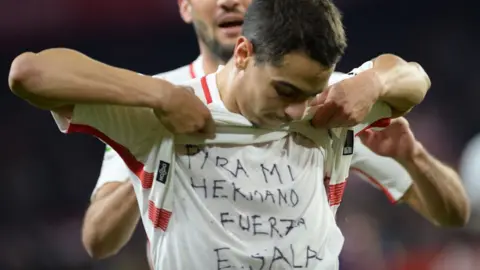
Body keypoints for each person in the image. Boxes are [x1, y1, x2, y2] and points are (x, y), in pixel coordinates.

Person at [6, 0, 455, 269]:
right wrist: (160, 99)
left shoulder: (329, 103)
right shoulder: (160, 112)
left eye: (308, 92)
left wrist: (370, 82)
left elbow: (413, 77)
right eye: (285, 92)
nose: (297, 110)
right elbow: (29, 72)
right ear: (243, 54)